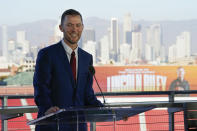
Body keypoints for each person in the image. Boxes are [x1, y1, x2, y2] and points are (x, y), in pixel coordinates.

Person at [33, 9, 103, 131]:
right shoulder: (47, 54)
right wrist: (47, 108)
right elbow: (41, 87)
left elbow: (87, 94)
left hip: (78, 126)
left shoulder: (87, 58)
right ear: (61, 28)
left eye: (78, 25)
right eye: (69, 25)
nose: (74, 29)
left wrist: (104, 109)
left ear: (82, 27)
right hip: (52, 125)